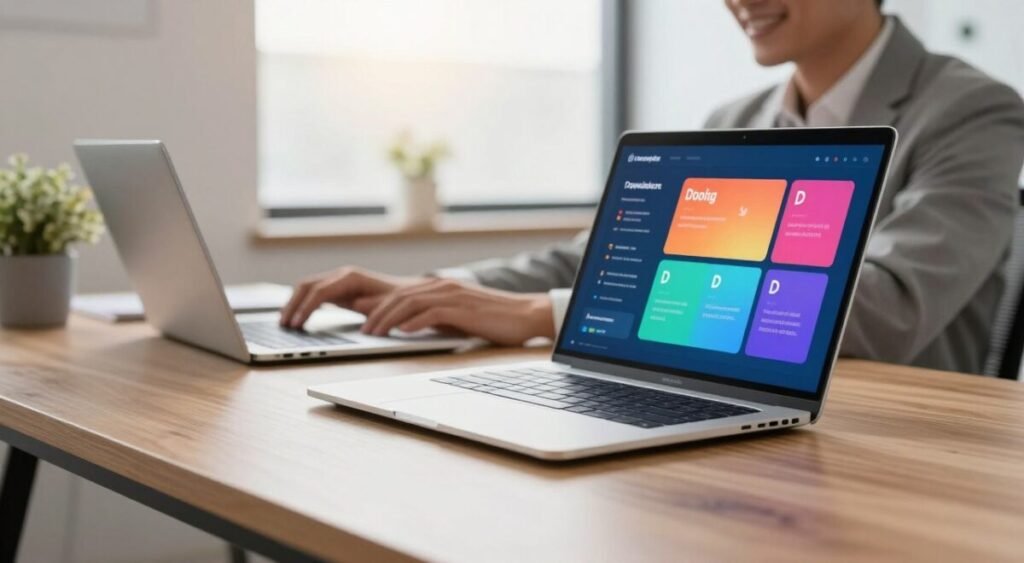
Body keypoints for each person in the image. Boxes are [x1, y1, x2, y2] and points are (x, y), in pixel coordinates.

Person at [281, 0, 1024, 374]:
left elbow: (887, 307)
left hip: (889, 447)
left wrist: (547, 314)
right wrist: (438, 288)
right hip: (726, 406)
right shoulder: (734, 121)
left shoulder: (971, 110)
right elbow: (600, 256)